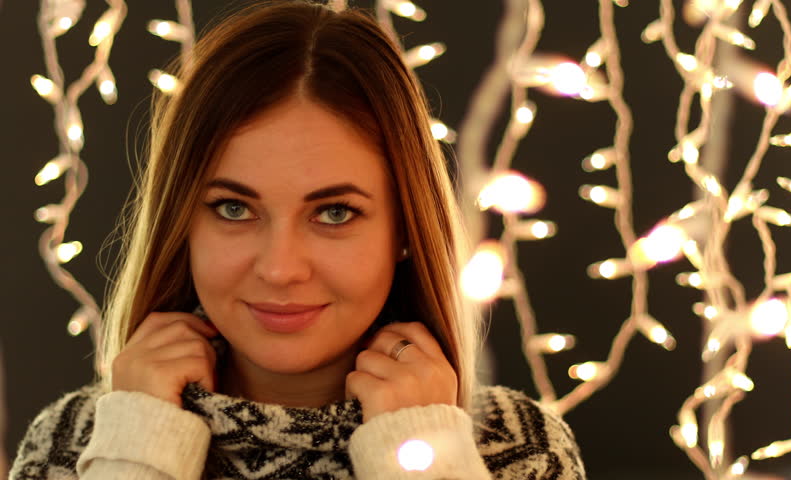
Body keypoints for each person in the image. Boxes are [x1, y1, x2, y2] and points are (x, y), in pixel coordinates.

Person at [10, 1, 586, 478]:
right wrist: (137, 451)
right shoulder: (75, 442)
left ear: (406, 230)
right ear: (183, 223)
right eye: (234, 208)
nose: (281, 269)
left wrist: (422, 451)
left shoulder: (519, 453)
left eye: (334, 212)